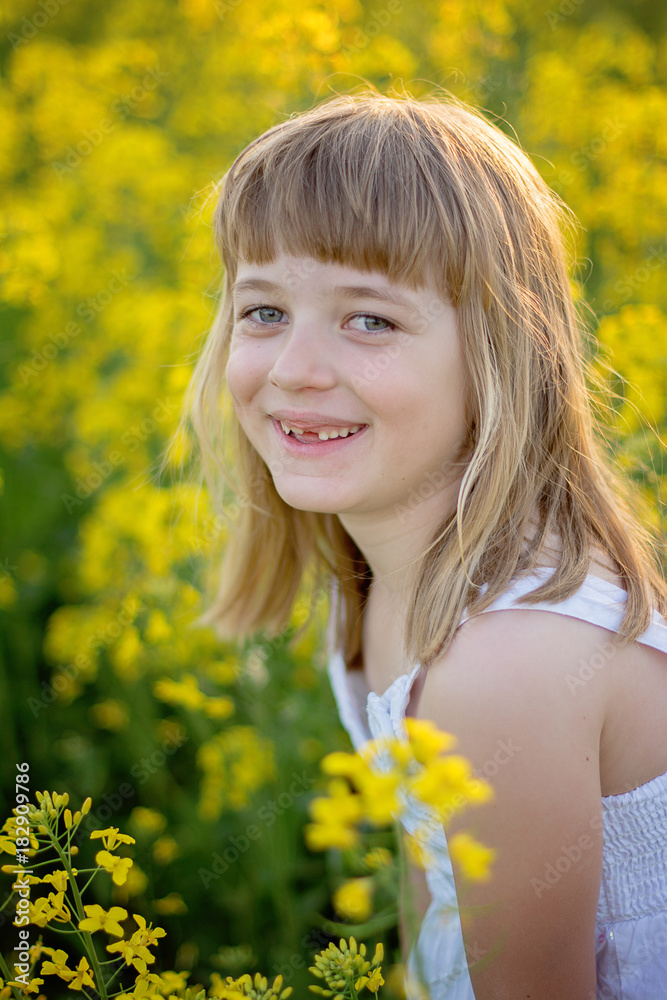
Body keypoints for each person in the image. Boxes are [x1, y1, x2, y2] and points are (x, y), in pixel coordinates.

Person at [175, 87, 667, 999]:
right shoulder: (376, 578)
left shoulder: (508, 668)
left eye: (371, 320)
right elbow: (435, 912)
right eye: (264, 312)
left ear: (497, 353)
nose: (294, 371)